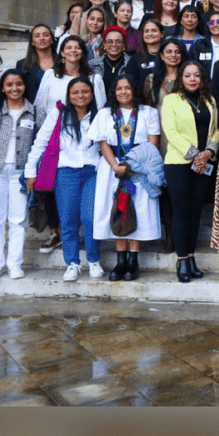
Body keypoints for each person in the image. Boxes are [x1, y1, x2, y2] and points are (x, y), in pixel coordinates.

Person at [24, 77, 102, 281]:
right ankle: (72, 263)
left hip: (93, 172)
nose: (80, 96)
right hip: (66, 172)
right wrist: (30, 170)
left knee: (90, 218)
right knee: (68, 220)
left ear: (92, 95)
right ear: (68, 95)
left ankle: (94, 260)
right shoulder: (58, 114)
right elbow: (40, 143)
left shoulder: (99, 115)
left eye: (85, 91)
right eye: (75, 92)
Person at [0, 70, 45, 281]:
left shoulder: (36, 113)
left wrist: (34, 173)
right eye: (9, 84)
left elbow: (42, 146)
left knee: (18, 219)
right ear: (2, 88)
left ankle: (14, 264)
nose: (14, 88)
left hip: (21, 174)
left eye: (19, 84)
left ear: (24, 86)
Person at [91, 76, 162, 282]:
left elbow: (153, 144)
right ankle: (120, 260)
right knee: (117, 208)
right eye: (119, 88)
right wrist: (115, 166)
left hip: (139, 167)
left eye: (128, 88)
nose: (123, 92)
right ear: (114, 92)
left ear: (135, 90)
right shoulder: (105, 114)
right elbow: (103, 143)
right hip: (111, 167)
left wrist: (132, 166)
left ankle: (133, 260)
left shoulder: (148, 112)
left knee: (138, 208)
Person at [161, 61, 219, 282]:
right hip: (179, 163)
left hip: (204, 163)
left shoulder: (210, 100)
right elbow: (171, 132)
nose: (192, 79)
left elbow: (216, 130)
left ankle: (192, 257)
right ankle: (182, 259)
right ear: (181, 78)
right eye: (187, 75)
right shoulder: (171, 100)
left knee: (195, 212)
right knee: (181, 212)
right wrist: (195, 154)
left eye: (196, 75)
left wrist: (208, 153)